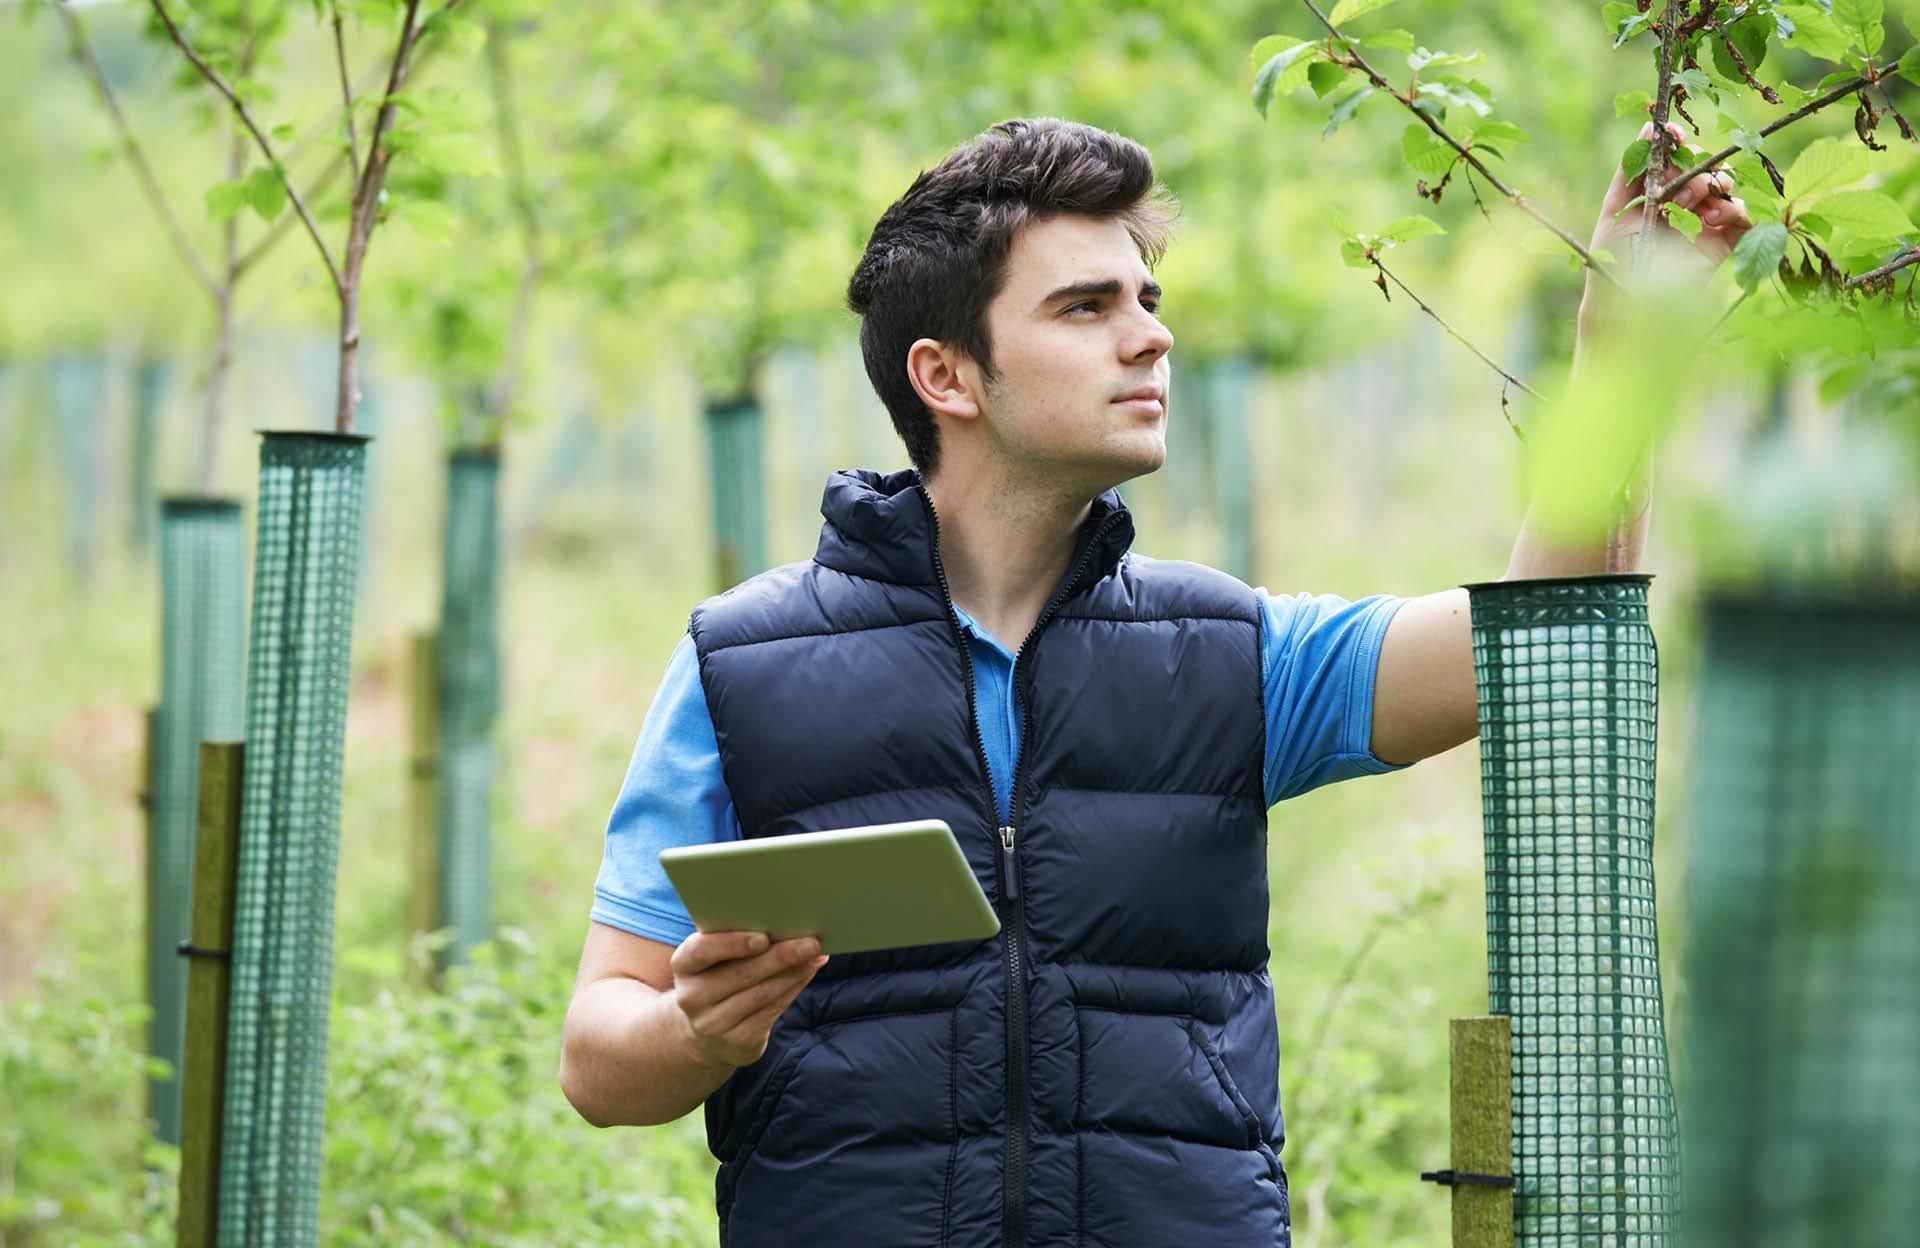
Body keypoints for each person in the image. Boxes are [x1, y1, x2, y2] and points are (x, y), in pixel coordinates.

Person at [559, 116, 1748, 1246]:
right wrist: (696, 1028)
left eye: (1147, 300)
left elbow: (1537, 638)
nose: (1149, 337)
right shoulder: (745, 665)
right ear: (947, 376)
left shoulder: (1231, 651)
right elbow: (599, 1062)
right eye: (1086, 307)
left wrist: (1621, 354)